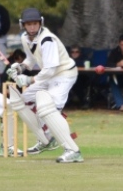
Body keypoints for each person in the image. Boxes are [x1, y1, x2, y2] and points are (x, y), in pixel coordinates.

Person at [6, 8, 83, 163]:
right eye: (29, 24)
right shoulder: (25, 38)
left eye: (35, 24)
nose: (32, 27)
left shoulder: (47, 40)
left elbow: (50, 69)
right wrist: (20, 67)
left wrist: (28, 80)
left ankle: (73, 150)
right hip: (48, 77)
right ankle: (46, 138)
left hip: (63, 75)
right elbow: (31, 59)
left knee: (48, 108)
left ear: (40, 23)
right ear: (23, 25)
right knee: (23, 100)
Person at [68, 45, 90, 109]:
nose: (74, 53)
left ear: (80, 53)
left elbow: (87, 63)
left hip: (81, 78)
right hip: (68, 78)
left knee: (79, 84)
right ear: (70, 53)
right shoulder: (67, 58)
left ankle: (83, 102)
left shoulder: (84, 58)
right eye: (72, 52)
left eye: (77, 52)